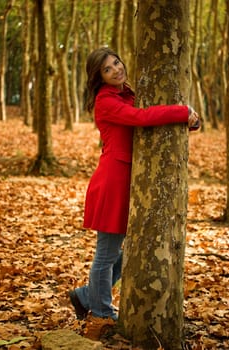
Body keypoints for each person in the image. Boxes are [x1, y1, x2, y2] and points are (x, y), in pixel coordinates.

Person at [69, 47, 200, 321]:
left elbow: (150, 120)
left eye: (116, 62)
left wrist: (187, 122)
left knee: (132, 249)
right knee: (106, 253)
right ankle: (101, 310)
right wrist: (182, 111)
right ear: (99, 77)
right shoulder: (106, 101)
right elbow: (141, 118)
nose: (116, 69)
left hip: (130, 181)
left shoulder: (127, 93)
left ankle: (86, 295)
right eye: (107, 69)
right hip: (112, 182)